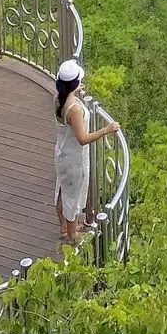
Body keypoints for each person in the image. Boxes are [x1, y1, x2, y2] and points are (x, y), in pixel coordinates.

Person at [53, 58, 121, 244]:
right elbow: (82, 139)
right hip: (74, 156)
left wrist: (75, 91)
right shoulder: (74, 109)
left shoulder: (59, 98)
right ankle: (72, 235)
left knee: (63, 189)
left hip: (62, 151)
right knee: (72, 194)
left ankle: (65, 228)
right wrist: (106, 130)